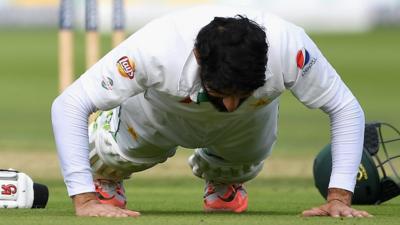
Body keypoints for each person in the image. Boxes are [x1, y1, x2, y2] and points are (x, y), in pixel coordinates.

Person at [51, 5, 371, 217]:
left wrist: (339, 198)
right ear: (199, 58)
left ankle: (224, 180)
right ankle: (104, 178)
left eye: (240, 93)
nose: (230, 105)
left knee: (243, 162)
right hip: (159, 109)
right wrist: (85, 199)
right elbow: (69, 105)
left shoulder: (291, 49)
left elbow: (345, 109)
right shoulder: (156, 48)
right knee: (117, 153)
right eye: (223, 92)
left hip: (250, 120)